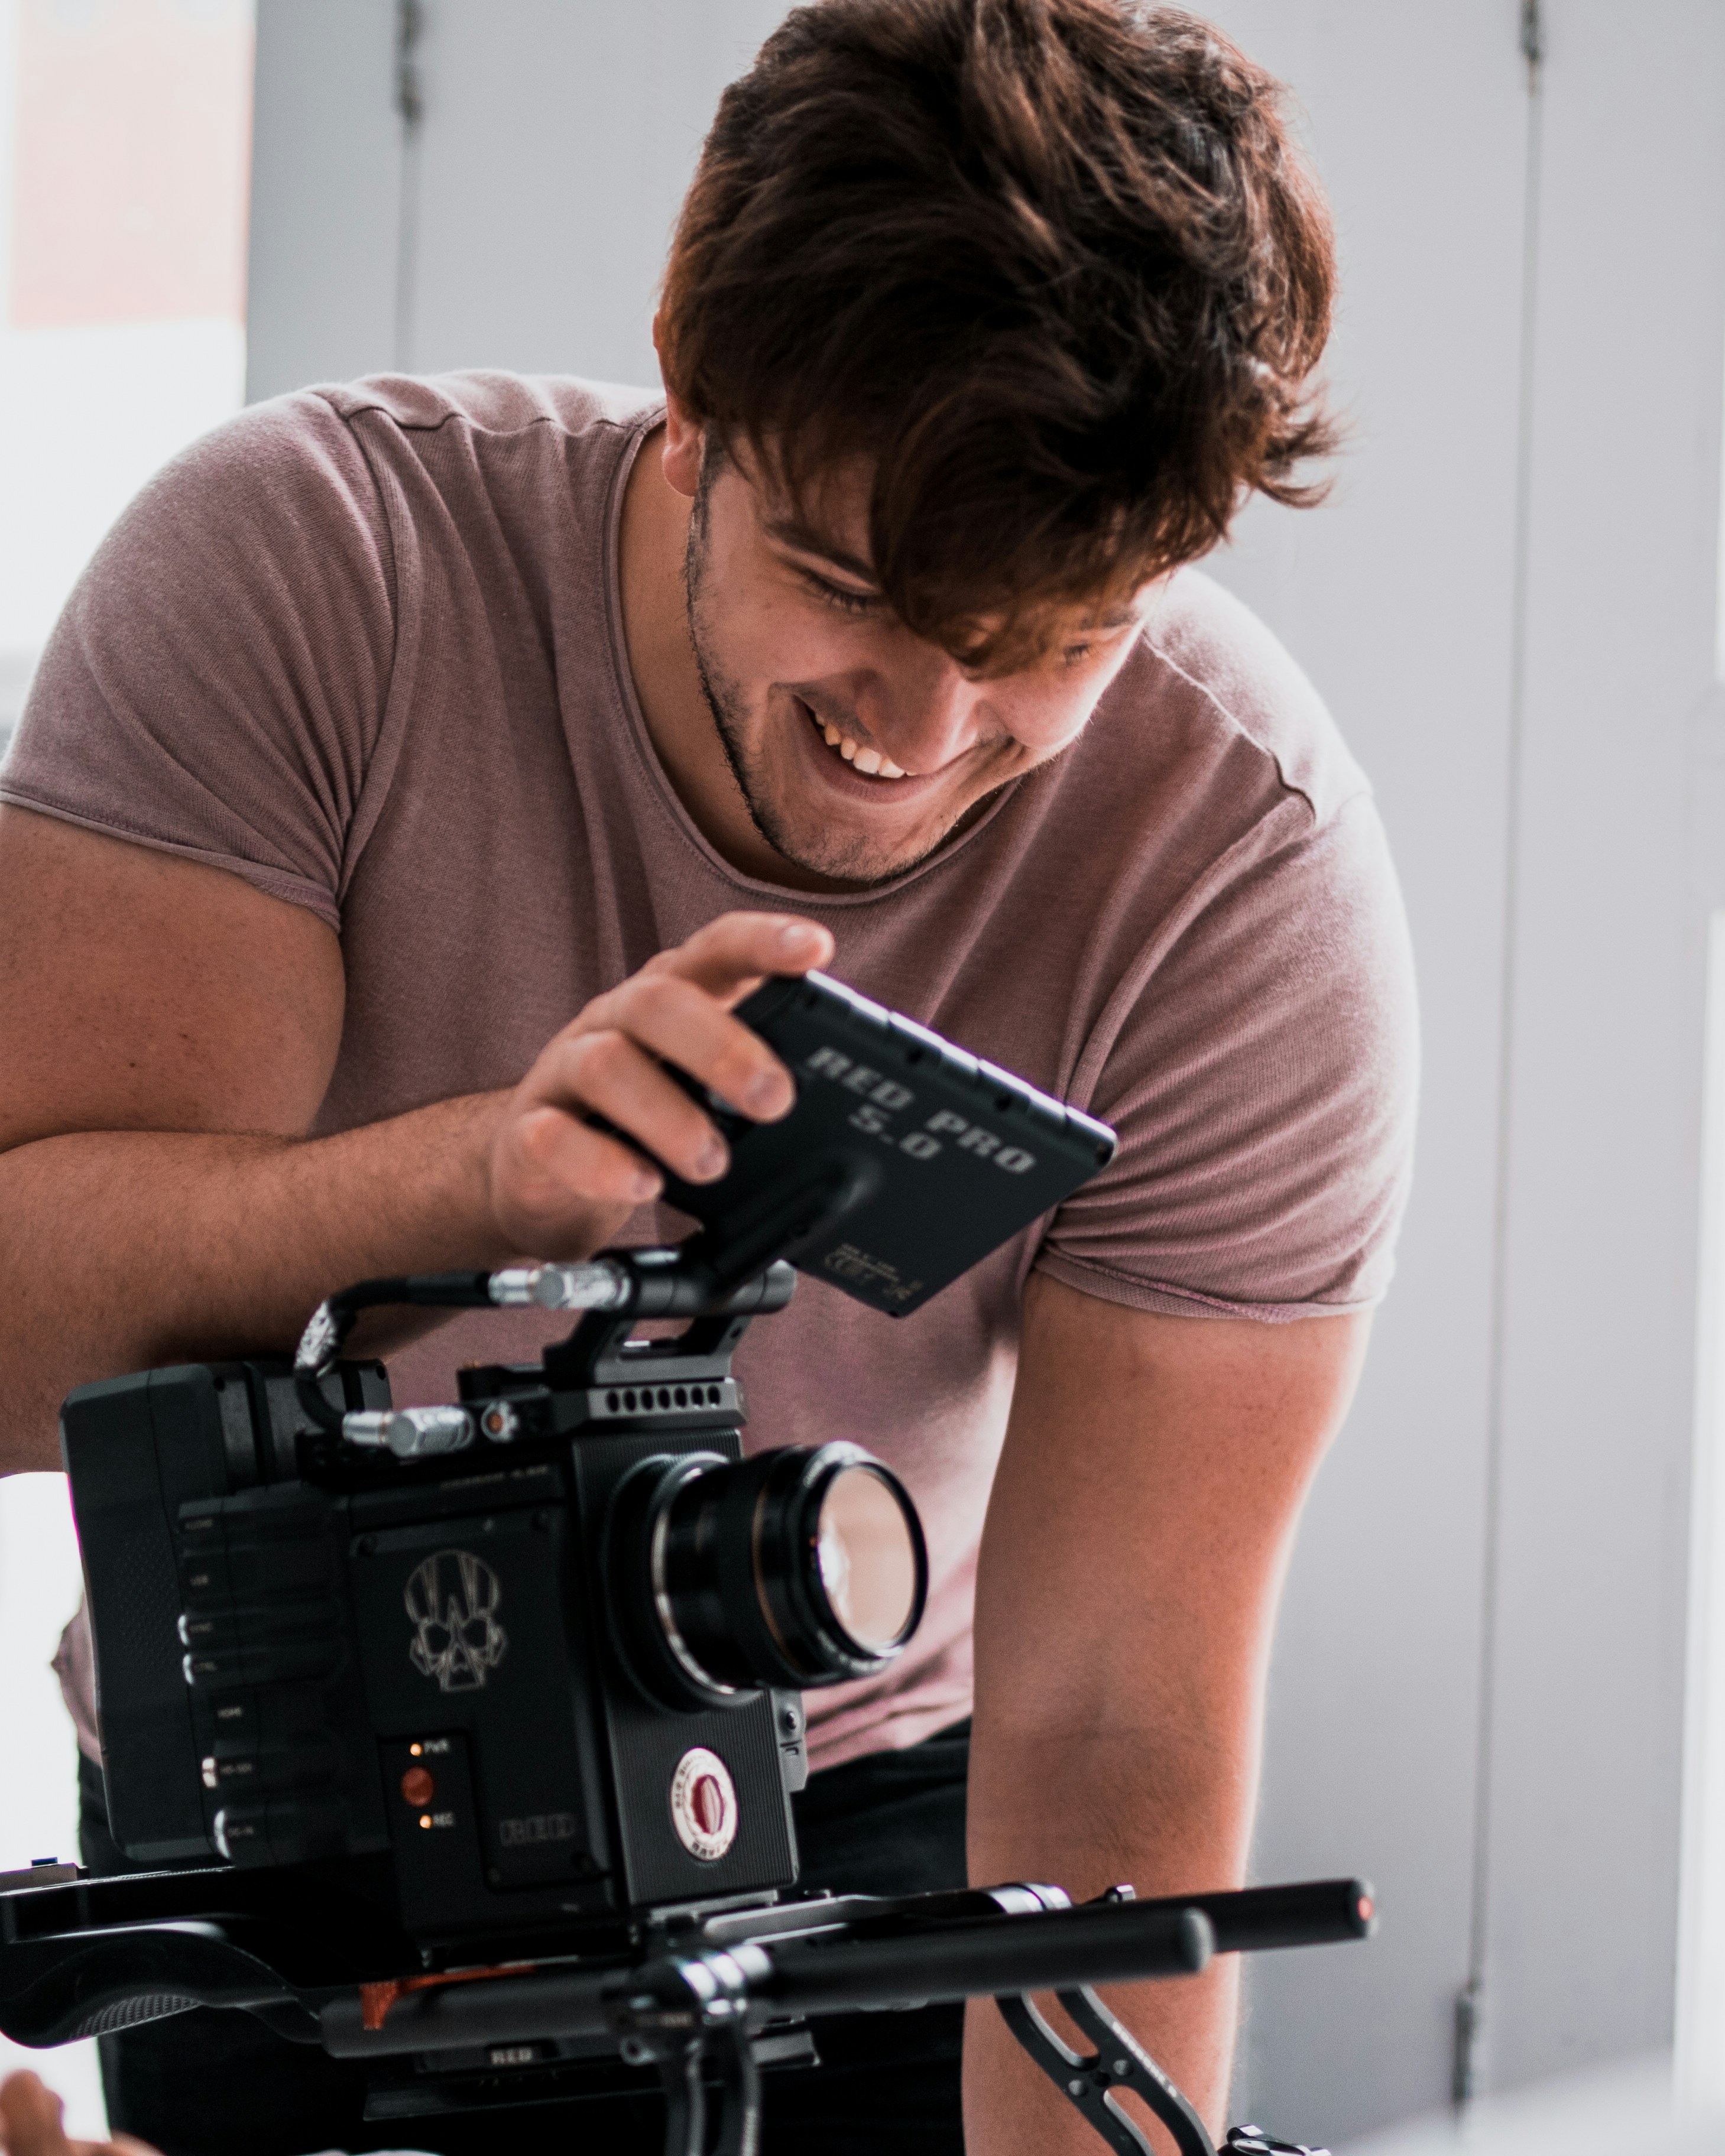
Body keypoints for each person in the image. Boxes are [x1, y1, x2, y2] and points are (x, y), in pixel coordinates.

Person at [0, 1, 1416, 2151]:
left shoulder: (1236, 871)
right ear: (691, 392)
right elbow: (17, 1361)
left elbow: (1115, 1718)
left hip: (863, 1806)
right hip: (291, 1798)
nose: (916, 740)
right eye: (850, 588)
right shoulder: (317, 570)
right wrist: (468, 1186)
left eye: (1046, 641)